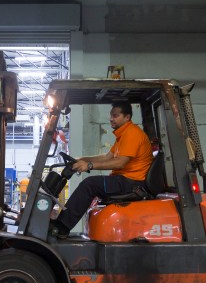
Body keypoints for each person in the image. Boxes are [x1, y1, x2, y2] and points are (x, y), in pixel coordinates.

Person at [49, 101, 154, 237]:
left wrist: (89, 166)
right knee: (91, 184)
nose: (111, 118)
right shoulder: (124, 134)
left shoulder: (132, 134)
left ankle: (61, 228)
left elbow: (120, 163)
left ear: (127, 117)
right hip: (125, 180)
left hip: (132, 183)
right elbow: (106, 157)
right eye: (111, 115)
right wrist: (82, 159)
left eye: (115, 116)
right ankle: (61, 224)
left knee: (90, 184)